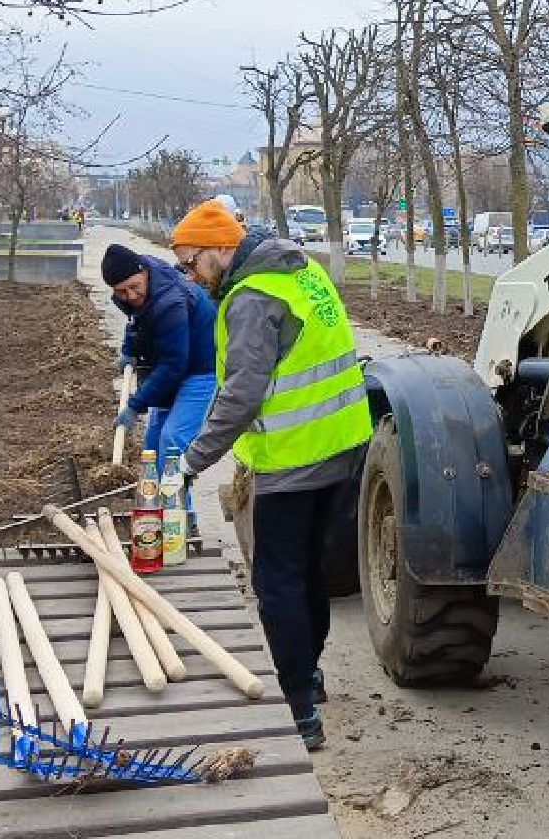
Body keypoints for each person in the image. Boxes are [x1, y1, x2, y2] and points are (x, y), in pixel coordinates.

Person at [166, 199, 370, 751]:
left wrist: (190, 462)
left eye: (191, 262)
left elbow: (241, 396)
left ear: (222, 248)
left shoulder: (252, 298)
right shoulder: (301, 270)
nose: (190, 274)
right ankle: (311, 676)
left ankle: (300, 709)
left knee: (277, 582)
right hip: (345, 445)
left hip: (292, 458)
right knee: (310, 572)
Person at [104, 243, 217, 515]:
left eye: (134, 287)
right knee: (152, 446)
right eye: (121, 291)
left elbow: (172, 365)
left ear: (143, 272)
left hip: (202, 369)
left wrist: (135, 404)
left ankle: (178, 518)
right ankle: (154, 513)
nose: (130, 295)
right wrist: (129, 352)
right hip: (176, 364)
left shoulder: (170, 302)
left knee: (173, 441)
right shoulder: (138, 288)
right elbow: (137, 322)